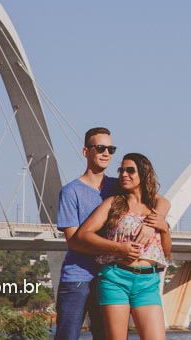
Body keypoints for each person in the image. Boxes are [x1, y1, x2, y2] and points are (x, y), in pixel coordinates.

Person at [54, 128, 158, 340]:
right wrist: (119, 249)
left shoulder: (118, 186)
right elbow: (74, 242)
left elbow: (158, 200)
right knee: (67, 336)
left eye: (111, 149)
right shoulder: (71, 191)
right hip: (78, 278)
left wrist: (153, 223)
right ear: (86, 151)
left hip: (112, 278)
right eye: (100, 148)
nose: (106, 153)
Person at [77, 153, 172, 340]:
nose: (124, 174)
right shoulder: (113, 203)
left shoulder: (154, 209)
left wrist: (164, 228)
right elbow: (83, 234)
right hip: (116, 279)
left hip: (148, 282)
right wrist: (118, 248)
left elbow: (166, 251)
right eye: (121, 170)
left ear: (143, 174)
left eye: (130, 170)